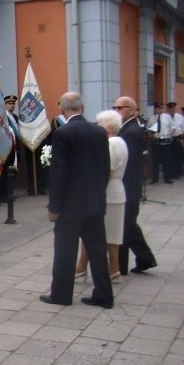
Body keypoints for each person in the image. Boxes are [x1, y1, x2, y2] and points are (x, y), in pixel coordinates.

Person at [40, 91, 113, 308]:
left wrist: (54, 206)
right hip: (94, 202)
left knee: (65, 250)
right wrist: (99, 194)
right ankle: (104, 295)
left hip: (70, 206)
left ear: (62, 108)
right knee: (97, 250)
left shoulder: (63, 133)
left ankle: (61, 294)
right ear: (83, 107)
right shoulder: (100, 132)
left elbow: (59, 173)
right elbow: (105, 168)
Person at [75, 110, 128, 281]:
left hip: (107, 192)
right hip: (115, 191)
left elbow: (107, 171)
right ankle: (86, 266)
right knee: (110, 233)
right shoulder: (120, 142)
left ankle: (111, 268)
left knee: (97, 232)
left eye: (100, 125)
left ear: (109, 127)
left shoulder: (111, 143)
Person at [115, 96, 158, 275]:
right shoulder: (129, 128)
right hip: (130, 184)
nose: (116, 111)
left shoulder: (131, 131)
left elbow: (129, 162)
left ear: (132, 110)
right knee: (129, 225)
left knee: (125, 225)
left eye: (120, 108)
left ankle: (123, 265)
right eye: (115, 107)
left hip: (128, 184)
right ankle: (145, 259)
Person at [148, 101, 173, 184]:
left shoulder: (167, 117)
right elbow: (148, 130)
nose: (160, 110)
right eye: (158, 108)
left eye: (161, 108)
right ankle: (155, 178)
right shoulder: (152, 118)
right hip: (156, 141)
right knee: (155, 161)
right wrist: (151, 134)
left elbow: (173, 127)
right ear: (155, 109)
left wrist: (169, 134)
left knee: (166, 161)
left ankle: (167, 178)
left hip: (165, 140)